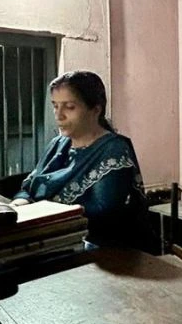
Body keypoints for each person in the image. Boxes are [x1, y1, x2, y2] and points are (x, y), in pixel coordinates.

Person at [13, 71, 148, 246]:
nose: (58, 115)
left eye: (69, 107)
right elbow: (30, 187)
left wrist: (41, 214)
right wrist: (18, 204)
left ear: (95, 110)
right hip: (49, 239)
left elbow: (104, 214)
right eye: (55, 106)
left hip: (98, 251)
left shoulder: (113, 150)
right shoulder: (58, 144)